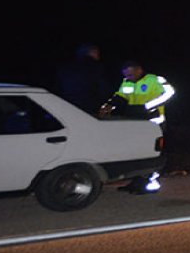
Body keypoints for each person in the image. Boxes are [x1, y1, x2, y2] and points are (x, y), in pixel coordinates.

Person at [100, 60, 175, 193]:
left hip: (154, 122)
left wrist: (148, 106)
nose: (128, 77)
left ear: (139, 70)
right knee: (137, 152)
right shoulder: (127, 82)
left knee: (152, 153)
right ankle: (136, 181)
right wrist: (109, 105)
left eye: (130, 74)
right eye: (126, 75)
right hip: (135, 122)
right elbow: (121, 96)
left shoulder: (155, 80)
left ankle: (151, 183)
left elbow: (170, 93)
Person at [55, 43, 111, 114]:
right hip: (90, 106)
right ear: (92, 52)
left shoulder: (65, 68)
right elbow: (103, 88)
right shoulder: (96, 67)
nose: (98, 56)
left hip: (68, 105)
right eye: (97, 53)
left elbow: (58, 88)